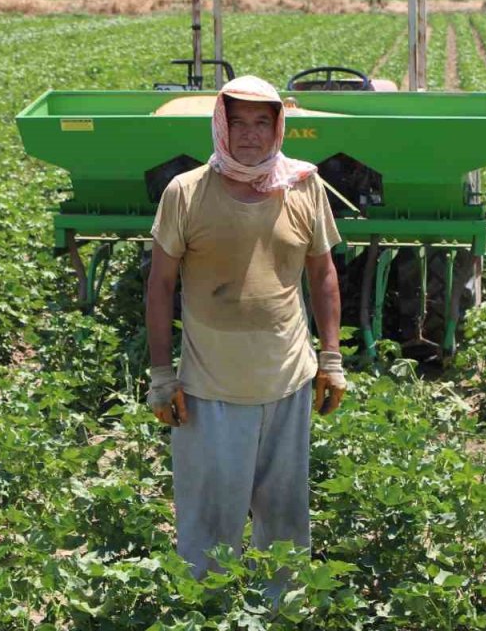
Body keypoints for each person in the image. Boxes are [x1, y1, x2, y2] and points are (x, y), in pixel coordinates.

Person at [145, 75, 347, 595]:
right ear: (221, 126)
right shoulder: (186, 193)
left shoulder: (304, 187)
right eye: (239, 124)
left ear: (278, 127)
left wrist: (331, 360)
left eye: (263, 122)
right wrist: (162, 376)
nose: (251, 135)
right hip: (210, 388)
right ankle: (205, 610)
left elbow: (323, 275)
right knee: (209, 521)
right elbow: (160, 285)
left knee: (283, 519)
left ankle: (279, 611)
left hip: (287, 382)